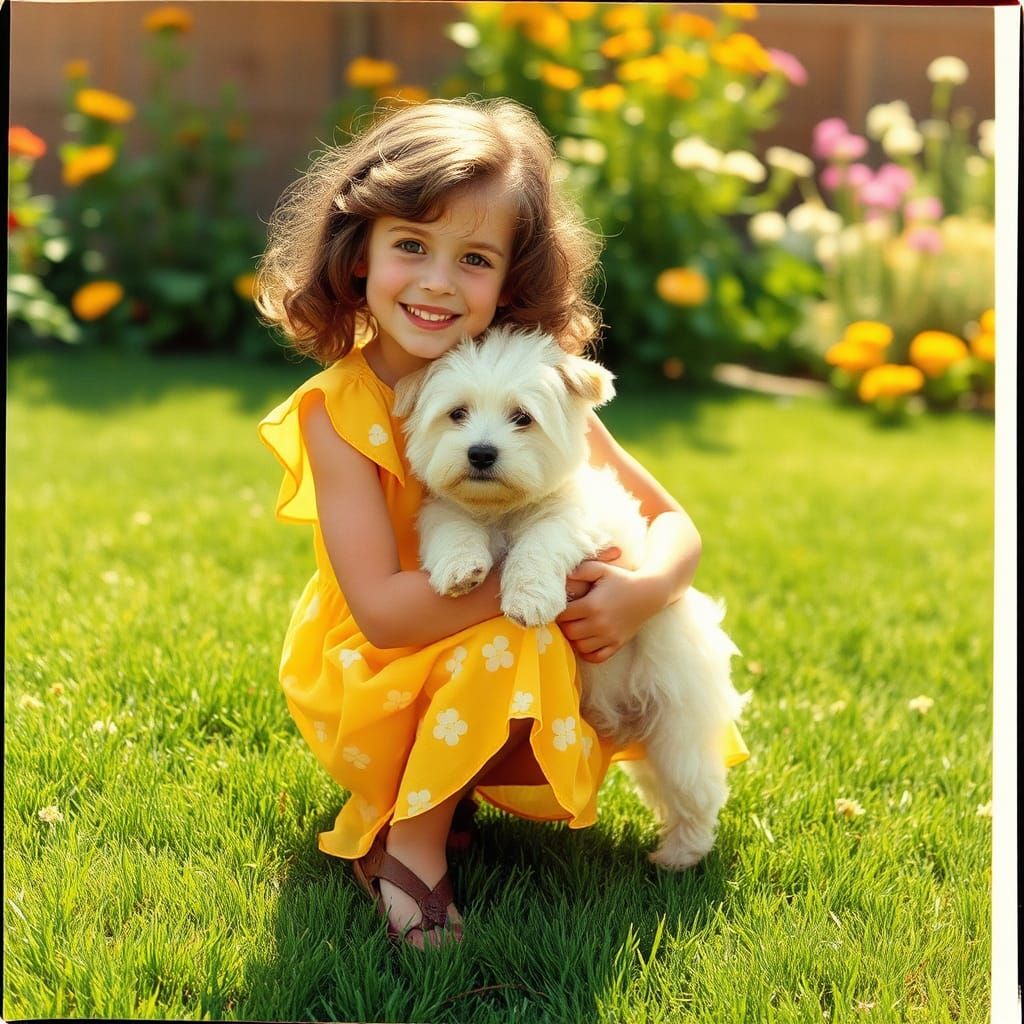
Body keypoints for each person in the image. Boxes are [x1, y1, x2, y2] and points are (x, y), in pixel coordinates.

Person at [257, 97, 747, 948]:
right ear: (358, 251)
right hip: (380, 660)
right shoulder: (336, 414)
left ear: (511, 277)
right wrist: (542, 586)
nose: (440, 281)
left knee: (526, 639)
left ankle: (454, 799)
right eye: (411, 244)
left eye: (474, 258)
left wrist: (643, 592)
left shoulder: (535, 391)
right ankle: (407, 843)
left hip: (537, 641)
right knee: (508, 635)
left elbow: (672, 523)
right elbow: (383, 611)